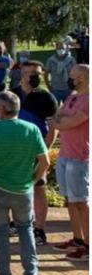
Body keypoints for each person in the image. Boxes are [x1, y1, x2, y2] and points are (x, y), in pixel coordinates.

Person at [0, 91, 49, 275]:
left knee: (1, 232)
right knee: (26, 230)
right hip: (23, 189)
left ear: (1, 109)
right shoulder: (32, 129)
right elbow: (45, 161)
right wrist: (33, 179)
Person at [11, 61, 58, 245]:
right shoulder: (11, 95)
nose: (33, 76)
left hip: (36, 151)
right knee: (15, 189)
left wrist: (44, 150)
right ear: (22, 75)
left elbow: (53, 128)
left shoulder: (47, 98)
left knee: (39, 188)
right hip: (13, 151)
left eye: (37, 73)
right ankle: (19, 222)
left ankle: (39, 230)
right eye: (30, 73)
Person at [50, 64, 89, 261]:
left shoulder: (89, 100)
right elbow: (58, 117)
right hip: (65, 155)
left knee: (81, 201)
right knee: (70, 200)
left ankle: (89, 245)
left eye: (74, 76)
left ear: (83, 77)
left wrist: (62, 121)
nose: (70, 79)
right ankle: (77, 239)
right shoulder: (72, 97)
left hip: (80, 157)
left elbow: (70, 122)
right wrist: (62, 120)